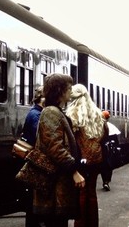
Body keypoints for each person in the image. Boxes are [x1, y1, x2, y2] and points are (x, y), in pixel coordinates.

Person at [33, 74, 85, 227]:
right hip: (54, 185)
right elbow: (55, 147)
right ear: (60, 91)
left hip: (58, 182)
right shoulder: (51, 112)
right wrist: (74, 171)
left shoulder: (56, 111)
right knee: (55, 223)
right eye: (69, 88)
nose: (71, 91)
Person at [66, 84, 107, 227]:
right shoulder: (97, 113)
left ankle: (81, 224)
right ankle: (93, 224)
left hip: (81, 160)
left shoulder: (73, 114)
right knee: (92, 192)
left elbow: (70, 139)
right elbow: (104, 134)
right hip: (96, 159)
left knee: (81, 194)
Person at [21, 86, 44, 227]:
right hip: (35, 159)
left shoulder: (36, 112)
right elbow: (39, 138)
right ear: (43, 98)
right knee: (34, 196)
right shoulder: (36, 115)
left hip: (34, 157)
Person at [100, 110, 120, 191]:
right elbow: (116, 140)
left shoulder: (99, 126)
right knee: (109, 166)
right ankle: (107, 181)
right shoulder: (111, 127)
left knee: (103, 166)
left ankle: (104, 181)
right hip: (110, 150)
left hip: (102, 149)